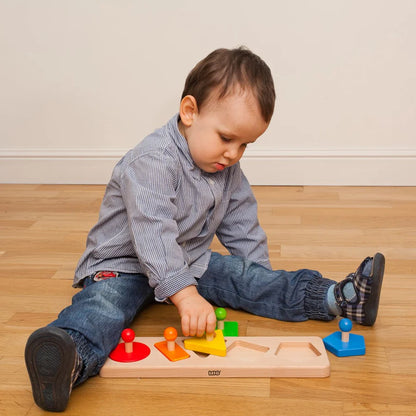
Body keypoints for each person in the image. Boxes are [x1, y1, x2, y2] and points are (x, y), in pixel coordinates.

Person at [25, 47, 385, 412]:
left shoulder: (224, 168)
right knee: (104, 306)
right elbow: (154, 234)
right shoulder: (151, 162)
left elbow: (242, 222)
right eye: (227, 138)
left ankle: (339, 297)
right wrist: (185, 295)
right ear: (190, 112)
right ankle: (68, 357)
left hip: (189, 260)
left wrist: (255, 277)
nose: (233, 154)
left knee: (245, 276)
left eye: (245, 145)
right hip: (124, 265)